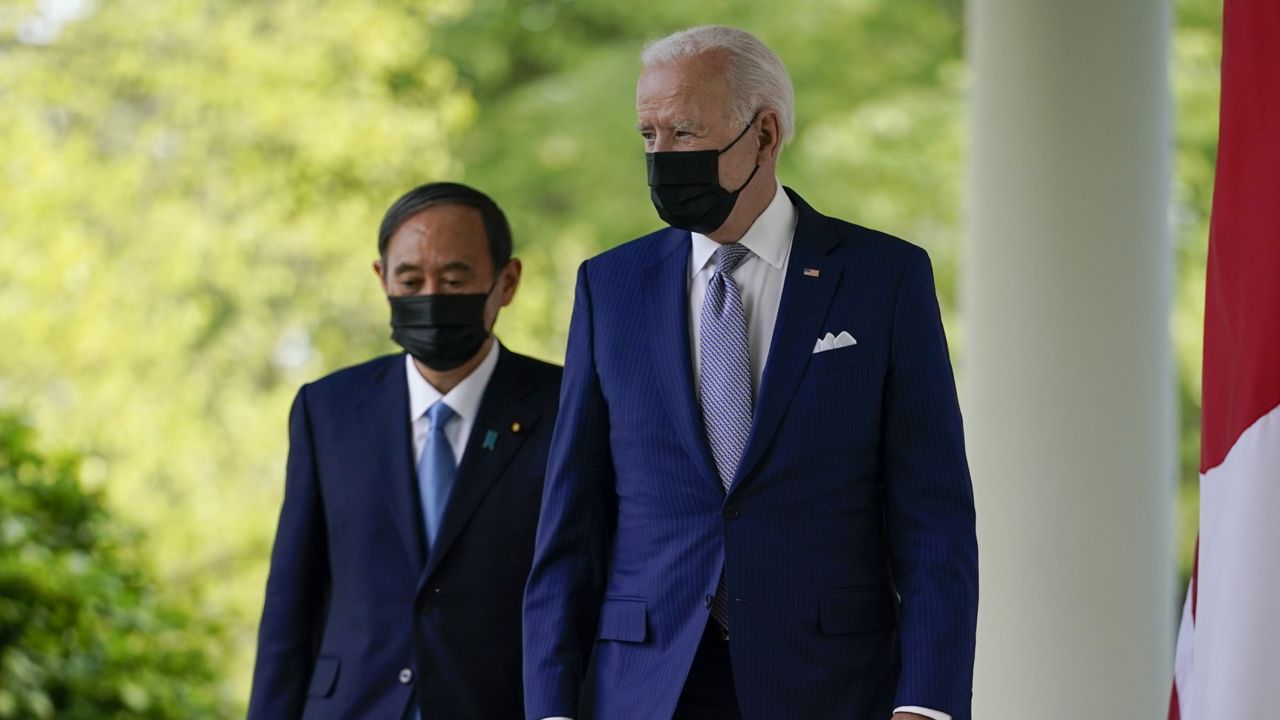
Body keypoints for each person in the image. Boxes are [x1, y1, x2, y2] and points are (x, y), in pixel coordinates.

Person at [523, 26, 977, 720]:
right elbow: (572, 522)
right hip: (648, 687)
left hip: (831, 684)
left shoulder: (884, 279)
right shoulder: (609, 288)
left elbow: (934, 517)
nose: (661, 156)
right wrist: (550, 706)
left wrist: (928, 704)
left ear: (764, 136)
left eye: (683, 131)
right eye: (648, 135)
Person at [249, 182, 562, 719]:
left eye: (456, 278)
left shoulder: (568, 408)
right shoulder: (327, 410)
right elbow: (290, 601)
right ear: (382, 279)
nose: (431, 296)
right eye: (411, 280)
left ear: (506, 282)